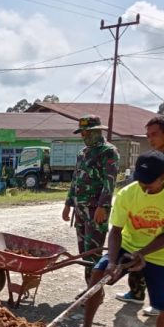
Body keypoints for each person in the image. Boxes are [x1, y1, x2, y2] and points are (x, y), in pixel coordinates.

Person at [60, 150, 164, 327]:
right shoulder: (127, 193)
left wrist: (143, 253)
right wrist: (113, 261)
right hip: (127, 245)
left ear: (163, 177)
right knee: (97, 273)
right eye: (141, 181)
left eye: (150, 182)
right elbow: (115, 231)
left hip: (162, 252)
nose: (144, 187)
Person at [117, 115, 164, 316]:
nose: (150, 139)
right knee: (135, 249)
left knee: (154, 259)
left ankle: (158, 303)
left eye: (155, 135)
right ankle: (136, 292)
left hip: (161, 217)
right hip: (142, 213)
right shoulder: (152, 156)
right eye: (148, 135)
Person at [62, 115, 120, 285]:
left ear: (98, 131)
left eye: (87, 132)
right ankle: (90, 288)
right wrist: (68, 204)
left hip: (96, 210)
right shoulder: (83, 153)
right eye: (82, 133)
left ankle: (93, 291)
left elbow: (109, 181)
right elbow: (76, 180)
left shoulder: (108, 152)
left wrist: (103, 206)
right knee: (84, 252)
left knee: (93, 251)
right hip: (80, 209)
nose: (84, 136)